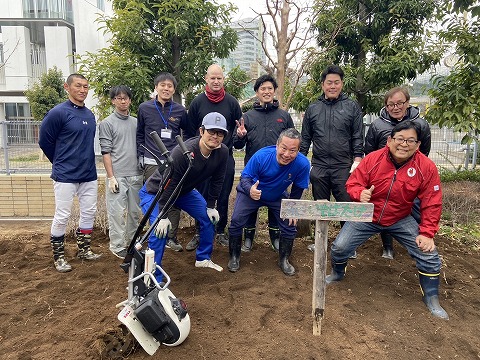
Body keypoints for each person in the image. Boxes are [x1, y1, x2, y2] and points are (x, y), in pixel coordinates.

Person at [326, 120, 448, 320]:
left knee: (429, 254)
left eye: (410, 140)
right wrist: (360, 193)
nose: (404, 144)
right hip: (368, 215)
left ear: (418, 145)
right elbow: (353, 183)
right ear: (390, 141)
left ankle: (432, 297)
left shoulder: (426, 167)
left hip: (400, 217)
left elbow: (432, 202)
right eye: (400, 139)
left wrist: (427, 233)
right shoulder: (373, 159)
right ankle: (337, 273)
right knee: (340, 247)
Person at [139, 112, 229, 282]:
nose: (215, 137)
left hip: (184, 191)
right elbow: (168, 183)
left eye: (220, 133)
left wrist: (211, 206)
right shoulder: (184, 152)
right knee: (160, 231)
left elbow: (218, 180)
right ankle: (152, 277)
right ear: (201, 131)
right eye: (211, 132)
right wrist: (163, 216)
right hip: (157, 192)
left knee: (208, 219)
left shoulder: (222, 152)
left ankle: (203, 258)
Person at [39, 73, 101, 273]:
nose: (82, 90)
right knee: (63, 215)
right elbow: (45, 141)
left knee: (89, 212)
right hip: (65, 175)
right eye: (78, 86)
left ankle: (84, 249)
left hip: (88, 173)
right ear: (67, 87)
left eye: (85, 86)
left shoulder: (90, 115)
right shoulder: (58, 113)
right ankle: (59, 256)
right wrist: (59, 161)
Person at [227, 128, 310, 276]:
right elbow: (244, 178)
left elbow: (297, 189)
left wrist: (293, 208)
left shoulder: (302, 164)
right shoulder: (261, 156)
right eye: (283, 148)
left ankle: (284, 259)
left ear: (298, 150)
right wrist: (250, 190)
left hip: (277, 194)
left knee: (290, 223)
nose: (286, 154)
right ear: (277, 145)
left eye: (292, 150)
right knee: (236, 221)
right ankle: (234, 256)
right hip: (252, 192)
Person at [300, 64, 364, 253]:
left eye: (337, 82)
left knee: (345, 207)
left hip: (343, 166)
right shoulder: (313, 108)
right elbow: (305, 138)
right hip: (319, 166)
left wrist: (358, 159)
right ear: (323, 85)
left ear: (342, 84)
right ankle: (321, 242)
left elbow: (357, 135)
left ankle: (347, 246)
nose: (333, 86)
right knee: (322, 207)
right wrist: (301, 161)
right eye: (329, 83)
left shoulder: (351, 107)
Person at [364, 87, 432, 259]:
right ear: (386, 106)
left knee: (416, 211)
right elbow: (369, 150)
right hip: (382, 177)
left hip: (411, 177)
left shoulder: (421, 125)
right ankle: (387, 247)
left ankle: (418, 242)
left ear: (407, 103)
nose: (395, 107)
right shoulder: (378, 125)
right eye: (391, 104)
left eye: (399, 103)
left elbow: (425, 151)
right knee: (385, 209)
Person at [233, 74, 295, 252]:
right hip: (254, 172)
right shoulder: (248, 117)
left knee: (276, 205)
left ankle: (275, 238)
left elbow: (293, 141)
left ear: (274, 91)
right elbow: (237, 145)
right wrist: (240, 136)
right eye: (262, 89)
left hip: (279, 171)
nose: (266, 92)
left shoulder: (283, 116)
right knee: (251, 204)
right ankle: (249, 238)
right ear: (257, 93)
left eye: (269, 88)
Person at [184, 64, 242, 250]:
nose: (216, 81)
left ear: (223, 80)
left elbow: (238, 130)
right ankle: (200, 231)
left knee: (222, 195)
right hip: (201, 158)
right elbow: (190, 131)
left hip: (225, 157)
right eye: (213, 78)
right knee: (200, 195)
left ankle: (219, 231)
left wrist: (237, 139)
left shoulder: (232, 103)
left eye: (219, 78)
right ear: (206, 79)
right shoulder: (197, 103)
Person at [136, 73, 187, 252]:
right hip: (152, 161)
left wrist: (184, 155)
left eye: (170, 86)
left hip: (173, 161)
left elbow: (186, 133)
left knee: (173, 197)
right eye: (163, 85)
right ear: (156, 87)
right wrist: (140, 155)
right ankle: (155, 235)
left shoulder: (180, 110)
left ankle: (171, 236)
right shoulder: (145, 108)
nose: (166, 88)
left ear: (174, 89)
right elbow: (140, 134)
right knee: (153, 198)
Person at [99, 85, 143, 259]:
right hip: (118, 176)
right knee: (116, 213)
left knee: (134, 212)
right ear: (113, 101)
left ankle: (132, 241)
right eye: (118, 98)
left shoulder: (136, 123)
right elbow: (106, 152)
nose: (122, 101)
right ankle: (116, 245)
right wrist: (111, 177)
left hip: (136, 175)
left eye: (125, 98)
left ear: (130, 100)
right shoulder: (107, 123)